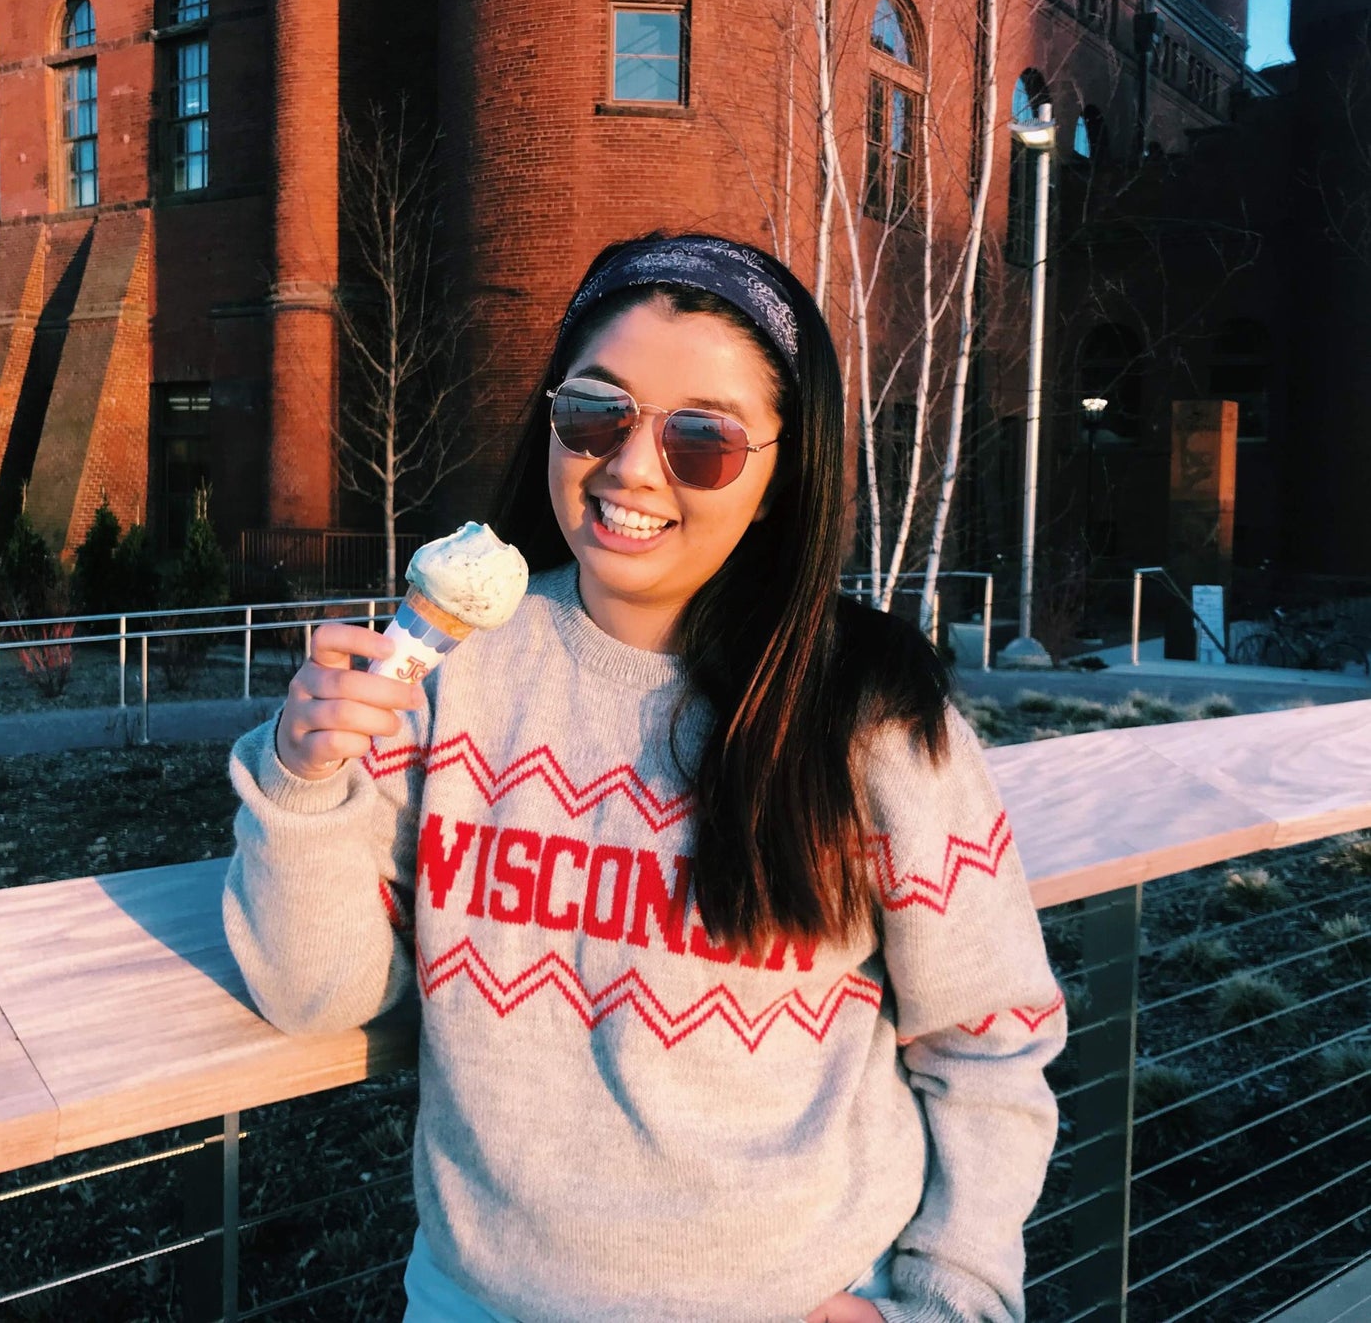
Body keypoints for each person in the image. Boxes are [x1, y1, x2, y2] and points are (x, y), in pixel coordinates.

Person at [224, 233, 1065, 1323]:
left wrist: (951, 1299)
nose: (629, 467)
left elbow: (989, 1045)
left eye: (701, 439)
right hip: (476, 1300)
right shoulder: (444, 670)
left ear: (777, 476)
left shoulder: (870, 718)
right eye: (595, 412)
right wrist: (301, 778)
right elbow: (315, 992)